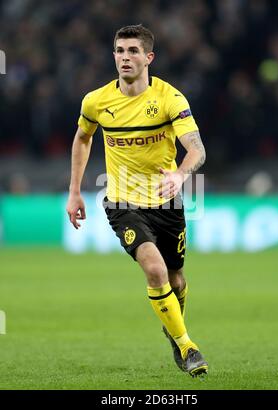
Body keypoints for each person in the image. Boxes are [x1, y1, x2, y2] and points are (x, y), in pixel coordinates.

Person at [66, 25, 208, 377]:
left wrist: (179, 175)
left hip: (166, 201)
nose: (124, 57)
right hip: (122, 202)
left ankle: (173, 328)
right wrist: (74, 190)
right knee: (156, 270)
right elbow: (82, 139)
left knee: (176, 281)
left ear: (149, 57)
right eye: (119, 50)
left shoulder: (170, 99)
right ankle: (188, 347)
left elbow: (196, 149)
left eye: (132, 51)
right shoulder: (96, 101)